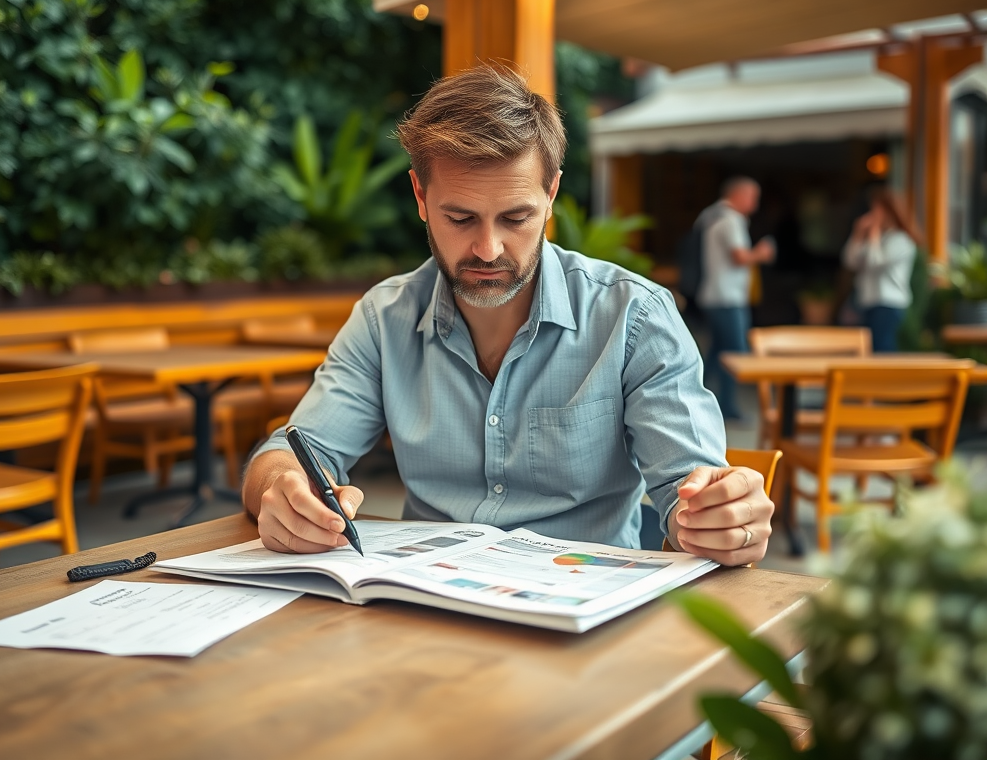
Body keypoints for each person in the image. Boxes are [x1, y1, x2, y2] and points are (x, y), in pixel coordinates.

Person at [242, 66, 775, 567]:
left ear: (551, 195)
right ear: (421, 197)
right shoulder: (384, 318)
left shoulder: (633, 317)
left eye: (516, 217)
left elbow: (688, 490)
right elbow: (288, 452)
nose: (489, 248)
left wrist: (715, 517)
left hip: (584, 607)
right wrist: (282, 489)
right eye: (460, 217)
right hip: (422, 604)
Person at [695, 178, 776, 420]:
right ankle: (726, 408)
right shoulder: (731, 220)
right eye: (752, 197)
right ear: (738, 195)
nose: (755, 204)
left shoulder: (709, 216)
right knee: (735, 354)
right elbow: (740, 257)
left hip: (712, 293)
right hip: (727, 297)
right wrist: (762, 254)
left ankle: (699, 400)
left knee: (717, 352)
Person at [842, 190, 918, 352]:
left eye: (877, 211)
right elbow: (850, 261)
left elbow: (875, 262)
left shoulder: (902, 240)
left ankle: (887, 378)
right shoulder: (876, 240)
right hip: (867, 301)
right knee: (868, 349)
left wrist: (873, 234)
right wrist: (857, 235)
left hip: (888, 303)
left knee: (882, 348)